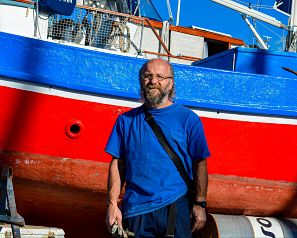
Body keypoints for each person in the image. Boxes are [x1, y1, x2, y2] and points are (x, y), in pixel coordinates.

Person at [105, 58, 210, 238]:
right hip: (136, 211)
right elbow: (117, 164)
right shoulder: (125, 121)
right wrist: (112, 205)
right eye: (148, 76)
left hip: (176, 207)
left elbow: (200, 163)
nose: (153, 81)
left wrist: (200, 204)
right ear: (140, 80)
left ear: (171, 83)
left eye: (160, 76)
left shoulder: (188, 120)